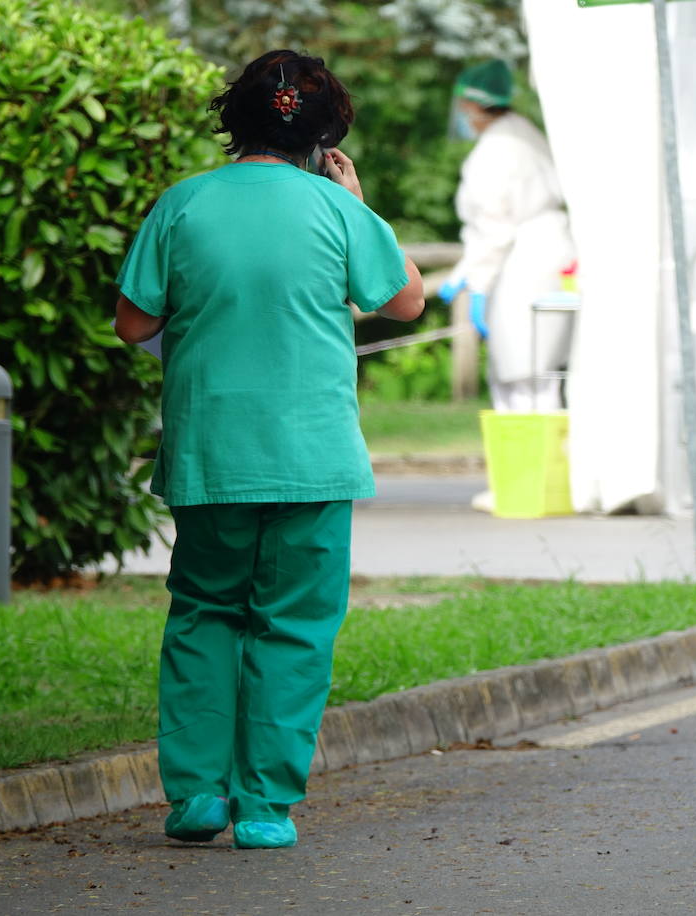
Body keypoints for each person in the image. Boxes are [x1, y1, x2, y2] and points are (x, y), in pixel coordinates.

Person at [112, 49, 424, 849]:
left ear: (235, 124)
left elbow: (133, 324)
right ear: (325, 143)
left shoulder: (180, 205)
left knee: (205, 614)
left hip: (210, 453)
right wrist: (357, 202)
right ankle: (263, 808)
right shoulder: (338, 209)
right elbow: (406, 301)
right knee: (293, 626)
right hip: (313, 459)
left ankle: (195, 798)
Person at [439, 59, 576, 414]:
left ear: (472, 104)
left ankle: (531, 465)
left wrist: (478, 286)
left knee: (522, 376)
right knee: (540, 371)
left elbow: (494, 229)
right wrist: (461, 275)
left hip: (524, 264)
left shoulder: (494, 150)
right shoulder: (523, 131)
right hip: (548, 252)